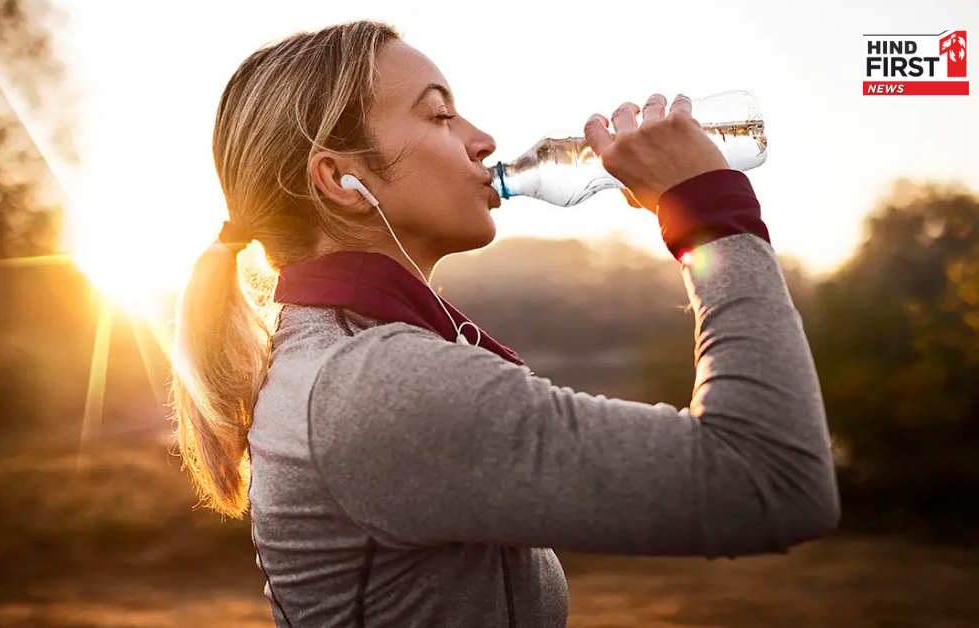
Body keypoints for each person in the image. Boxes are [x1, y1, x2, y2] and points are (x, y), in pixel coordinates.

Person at [170, 20, 840, 628]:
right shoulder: (375, 384)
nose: (482, 140)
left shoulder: (345, 358)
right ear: (343, 181)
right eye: (438, 114)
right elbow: (772, 478)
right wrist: (708, 209)